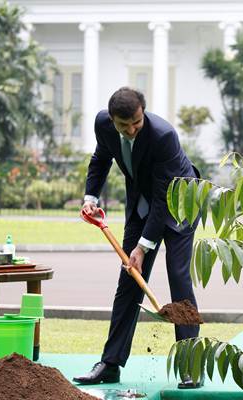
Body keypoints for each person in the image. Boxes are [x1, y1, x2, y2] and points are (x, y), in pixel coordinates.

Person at [73, 87, 202, 389]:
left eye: (136, 123)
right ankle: (111, 364)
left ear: (143, 112)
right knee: (129, 280)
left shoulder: (163, 136)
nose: (131, 130)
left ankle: (190, 365)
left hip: (179, 204)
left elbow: (163, 200)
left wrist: (143, 248)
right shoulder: (103, 124)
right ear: (113, 120)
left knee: (179, 279)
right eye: (123, 126)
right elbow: (101, 158)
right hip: (143, 205)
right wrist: (91, 196)